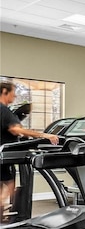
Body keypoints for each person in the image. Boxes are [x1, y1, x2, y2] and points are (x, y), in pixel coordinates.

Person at [1, 80, 59, 220]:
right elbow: (15, 129)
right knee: (9, 185)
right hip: (4, 154)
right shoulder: (4, 110)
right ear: (4, 92)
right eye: (13, 94)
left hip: (5, 156)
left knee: (7, 184)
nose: (14, 97)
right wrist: (43, 135)